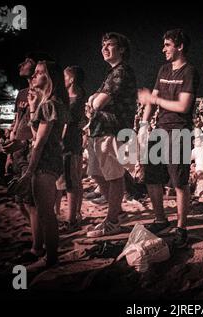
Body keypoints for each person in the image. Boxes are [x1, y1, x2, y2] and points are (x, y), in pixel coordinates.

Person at [138, 29, 200, 248]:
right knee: (151, 176)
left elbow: (183, 106)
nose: (163, 49)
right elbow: (151, 100)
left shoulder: (189, 72)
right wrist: (144, 124)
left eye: (167, 45)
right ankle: (160, 219)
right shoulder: (163, 69)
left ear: (179, 46)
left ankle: (182, 226)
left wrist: (155, 99)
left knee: (179, 181)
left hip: (179, 130)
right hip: (159, 128)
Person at [85, 32, 137, 237]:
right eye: (102, 45)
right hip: (101, 129)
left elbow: (96, 103)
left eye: (109, 45)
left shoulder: (121, 71)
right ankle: (118, 212)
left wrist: (94, 101)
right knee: (97, 173)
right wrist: (93, 101)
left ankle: (113, 220)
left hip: (114, 129)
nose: (104, 48)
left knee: (114, 176)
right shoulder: (112, 73)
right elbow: (93, 100)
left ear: (122, 49)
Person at [19, 60, 69, 269]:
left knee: (46, 212)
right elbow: (35, 136)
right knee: (43, 210)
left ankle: (50, 259)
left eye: (39, 73)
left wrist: (29, 170)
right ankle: (48, 256)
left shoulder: (50, 104)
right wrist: (32, 108)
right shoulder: (51, 102)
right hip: (49, 159)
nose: (34, 76)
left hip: (45, 161)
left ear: (49, 78)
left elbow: (39, 142)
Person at [4, 52, 53, 265]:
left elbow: (40, 130)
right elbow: (18, 121)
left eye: (26, 62)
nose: (21, 64)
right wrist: (10, 151)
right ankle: (40, 236)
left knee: (31, 202)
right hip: (17, 149)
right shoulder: (23, 93)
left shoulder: (43, 94)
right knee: (21, 202)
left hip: (29, 149)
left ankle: (38, 246)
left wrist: (23, 144)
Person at [55, 66, 87, 232]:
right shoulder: (79, 95)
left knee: (69, 183)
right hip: (74, 144)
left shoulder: (73, 99)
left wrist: (58, 141)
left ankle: (70, 220)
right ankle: (75, 215)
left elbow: (66, 124)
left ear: (72, 79)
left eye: (65, 77)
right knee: (73, 181)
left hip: (68, 145)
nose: (63, 80)